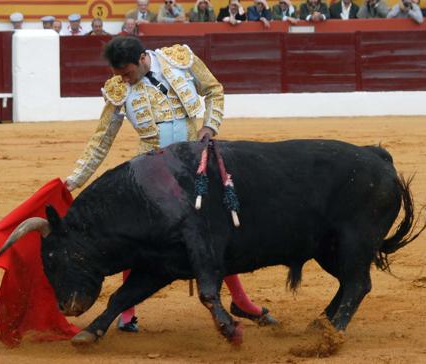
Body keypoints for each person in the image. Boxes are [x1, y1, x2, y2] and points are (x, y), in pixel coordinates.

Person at [64, 36, 277, 333]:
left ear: (141, 59)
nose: (123, 80)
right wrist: (75, 179)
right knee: (135, 236)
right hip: (150, 176)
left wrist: (209, 125)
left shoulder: (179, 59)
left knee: (215, 232)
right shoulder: (118, 89)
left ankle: (240, 300)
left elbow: (214, 90)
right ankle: (127, 313)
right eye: (119, 75)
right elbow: (102, 139)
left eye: (126, 73)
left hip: (195, 165)